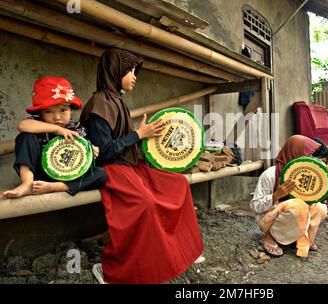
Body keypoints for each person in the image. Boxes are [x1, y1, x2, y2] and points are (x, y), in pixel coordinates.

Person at [79, 48, 204, 284]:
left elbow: (128, 143)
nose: (135, 76)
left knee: (178, 185)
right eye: (130, 70)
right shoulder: (99, 103)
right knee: (146, 203)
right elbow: (104, 153)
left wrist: (146, 138)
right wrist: (138, 134)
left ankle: (178, 251)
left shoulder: (117, 101)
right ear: (115, 71)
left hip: (131, 167)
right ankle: (112, 269)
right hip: (111, 169)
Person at [2, 77, 106, 199]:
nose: (57, 117)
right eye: (48, 112)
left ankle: (57, 186)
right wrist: (58, 129)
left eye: (63, 110)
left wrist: (91, 153)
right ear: (40, 113)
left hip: (67, 175)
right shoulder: (37, 124)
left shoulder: (77, 129)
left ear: (71, 110)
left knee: (101, 174)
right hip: (40, 174)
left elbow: (83, 155)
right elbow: (22, 125)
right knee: (25, 137)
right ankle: (27, 183)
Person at [250, 135, 328, 258]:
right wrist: (276, 195)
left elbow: (314, 199)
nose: (309, 159)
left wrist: (323, 174)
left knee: (320, 208)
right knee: (298, 205)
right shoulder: (270, 175)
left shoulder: (303, 173)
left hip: (291, 217)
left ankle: (297, 238)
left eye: (310, 156)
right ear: (293, 153)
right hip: (268, 221)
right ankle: (269, 238)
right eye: (305, 155)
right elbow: (255, 206)